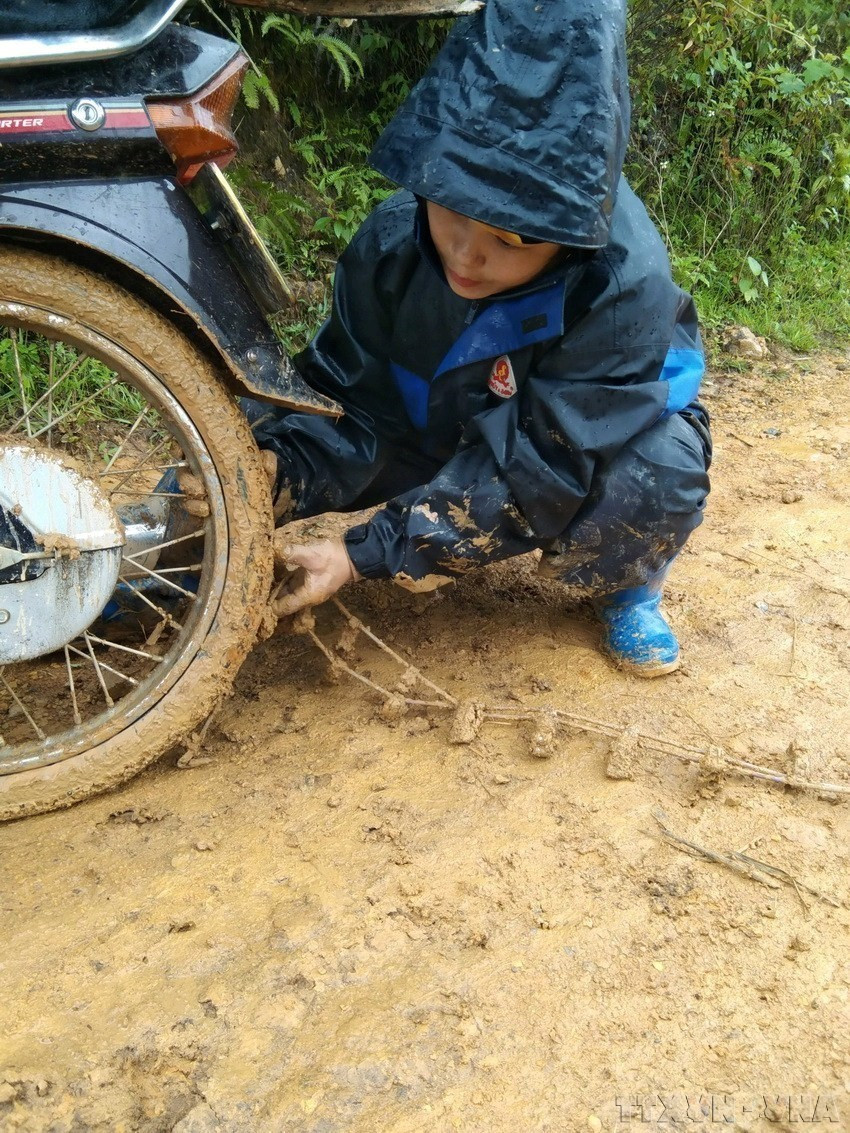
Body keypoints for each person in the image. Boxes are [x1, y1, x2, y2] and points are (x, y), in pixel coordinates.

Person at [247, 0, 712, 677]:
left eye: (515, 237)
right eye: (455, 211)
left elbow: (546, 465)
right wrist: (267, 471)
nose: (468, 254)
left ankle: (627, 583)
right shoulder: (393, 243)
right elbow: (345, 395)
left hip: (595, 437)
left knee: (657, 472)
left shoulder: (621, 289)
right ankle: (140, 559)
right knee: (256, 454)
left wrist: (361, 553)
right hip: (442, 416)